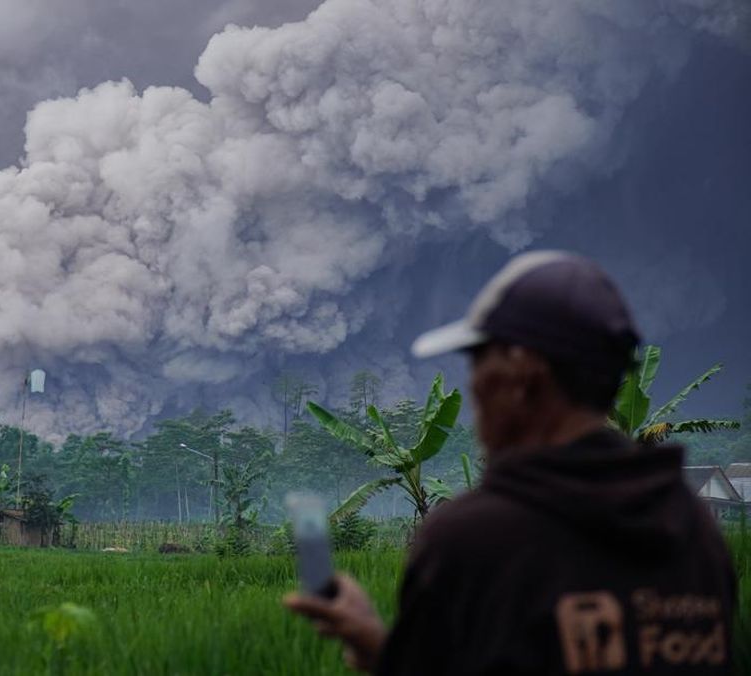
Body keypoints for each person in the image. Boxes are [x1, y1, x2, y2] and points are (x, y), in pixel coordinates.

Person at [285, 251, 737, 674]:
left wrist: (384, 651)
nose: (474, 388)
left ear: (524, 374)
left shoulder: (471, 539)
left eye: (479, 360)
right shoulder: (694, 529)